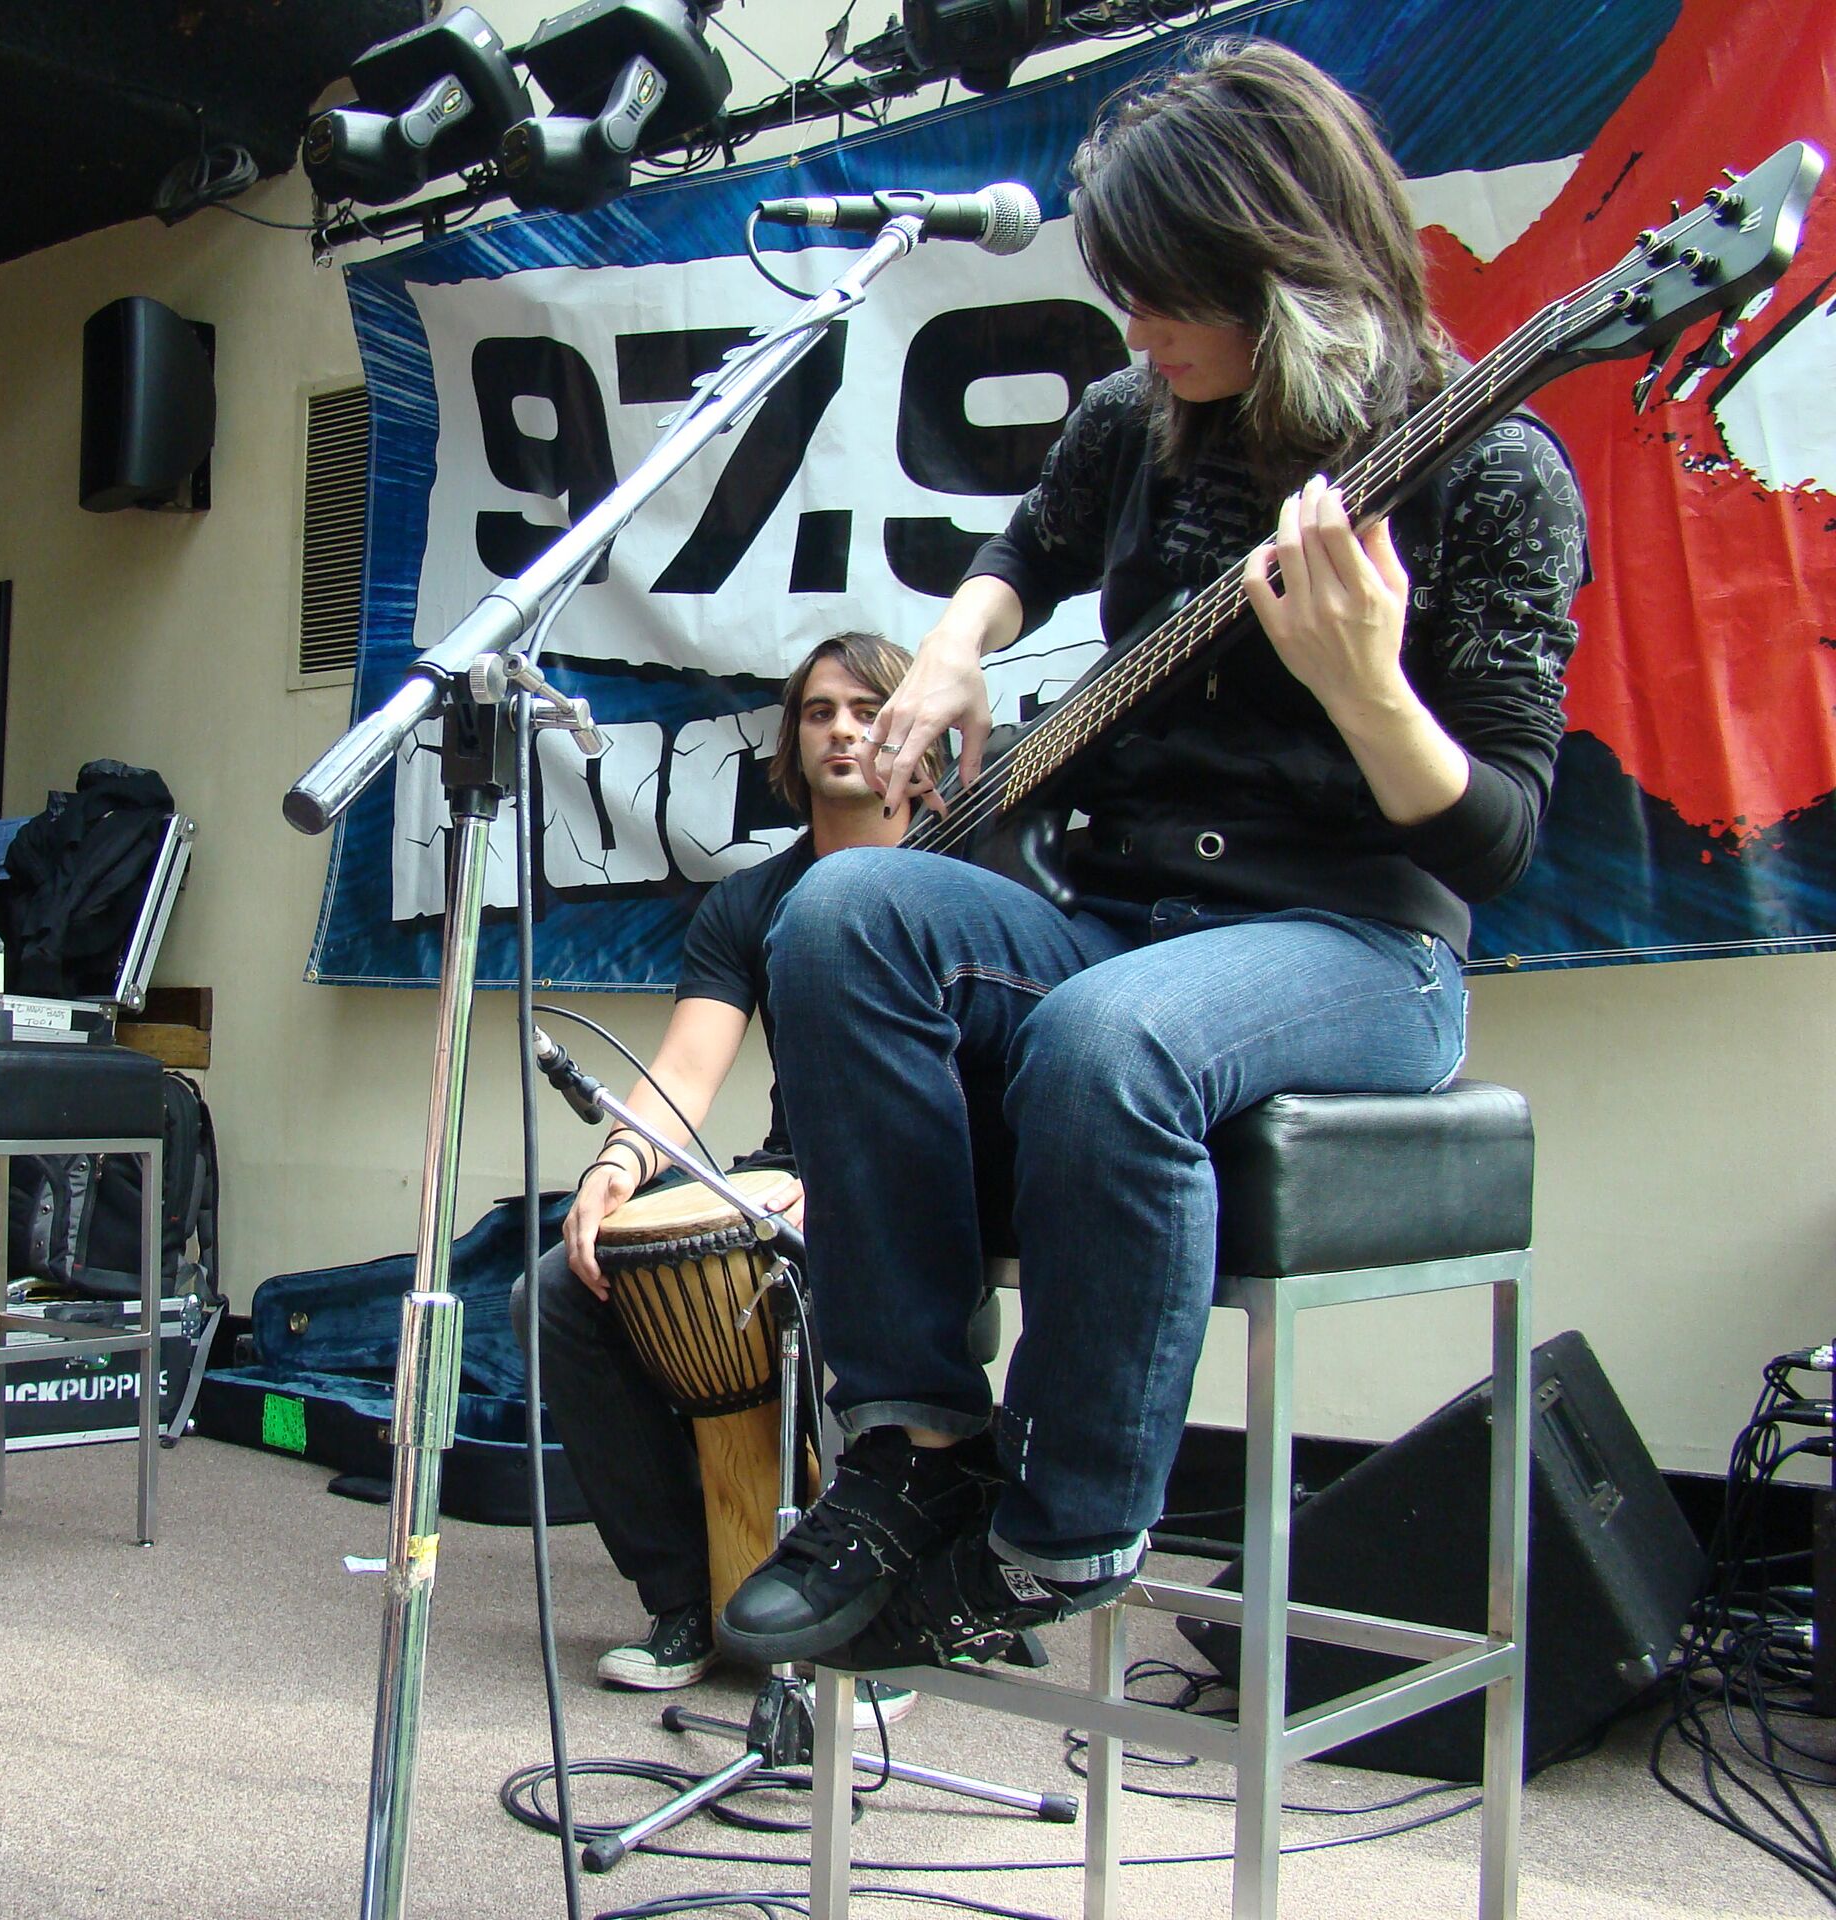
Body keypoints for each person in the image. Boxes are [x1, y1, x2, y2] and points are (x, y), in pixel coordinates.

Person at [716, 40, 1588, 1671]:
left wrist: (1368, 690)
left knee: (1105, 1039)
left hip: (1358, 944)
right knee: (838, 911)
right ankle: (916, 1443)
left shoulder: (1493, 471)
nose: (1136, 334)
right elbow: (1028, 543)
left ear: (1286, 271)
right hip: (1123, 908)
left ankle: (1064, 1531)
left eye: (1166, 298)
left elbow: (1501, 842)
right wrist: (959, 644)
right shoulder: (1141, 417)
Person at [516, 632, 939, 1693]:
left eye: (868, 710)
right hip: (793, 1171)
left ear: (917, 730)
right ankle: (689, 1597)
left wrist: (850, 1184)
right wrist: (616, 1167)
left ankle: (887, 1609)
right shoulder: (748, 904)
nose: (842, 729)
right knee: (558, 1292)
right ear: (792, 741)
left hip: (936, 1178)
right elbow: (685, 1072)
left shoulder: (965, 869)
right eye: (819, 711)